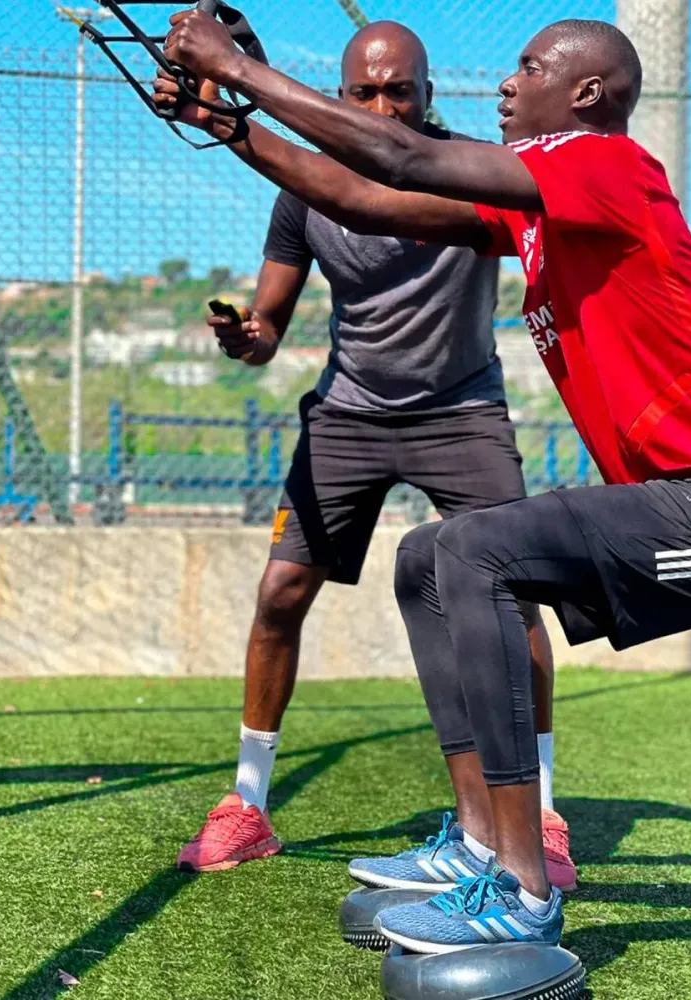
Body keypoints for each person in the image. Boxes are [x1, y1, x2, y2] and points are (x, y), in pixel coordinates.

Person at [162, 12, 691, 953]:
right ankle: (477, 840)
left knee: (475, 551)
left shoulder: (605, 165)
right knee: (426, 558)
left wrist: (236, 69)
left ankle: (524, 885)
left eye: (528, 68)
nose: (505, 82)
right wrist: (224, 121)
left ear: (585, 94)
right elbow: (368, 199)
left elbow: (403, 159)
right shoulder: (541, 208)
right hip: (672, 501)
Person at [161, 22, 571, 888]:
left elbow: (390, 196)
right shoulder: (302, 190)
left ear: (429, 95)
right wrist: (247, 335)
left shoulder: (471, 170)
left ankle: (539, 814)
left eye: (400, 91)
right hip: (348, 415)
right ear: (342, 94)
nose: (384, 106)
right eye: (365, 93)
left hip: (462, 412)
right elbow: (269, 329)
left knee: (518, 601)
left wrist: (232, 107)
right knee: (280, 592)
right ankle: (247, 804)